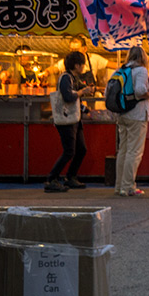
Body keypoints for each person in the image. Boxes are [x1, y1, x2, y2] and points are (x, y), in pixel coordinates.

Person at [46, 51, 93, 193]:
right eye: (82, 64)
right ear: (77, 65)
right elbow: (68, 97)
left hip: (74, 120)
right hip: (66, 121)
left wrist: (85, 109)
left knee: (81, 149)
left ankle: (71, 176)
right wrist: (82, 92)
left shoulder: (73, 78)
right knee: (69, 151)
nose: (83, 67)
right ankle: (51, 179)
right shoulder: (66, 77)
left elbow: (75, 100)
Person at [114, 46, 149, 197]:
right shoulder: (141, 71)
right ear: (143, 58)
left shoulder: (120, 70)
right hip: (137, 115)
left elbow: (108, 91)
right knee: (134, 151)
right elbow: (139, 91)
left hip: (122, 115)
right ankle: (129, 187)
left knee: (123, 150)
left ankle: (119, 186)